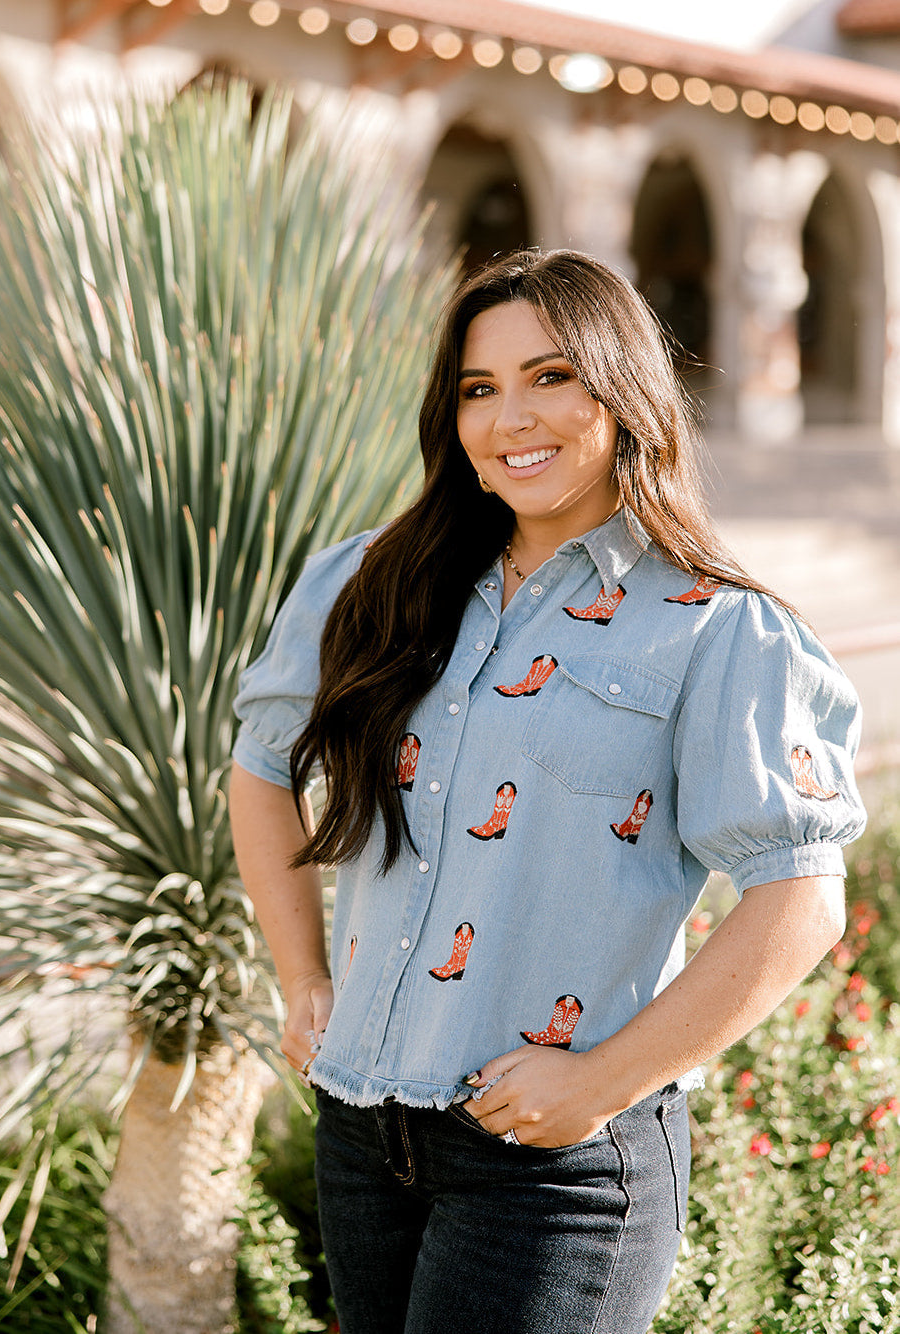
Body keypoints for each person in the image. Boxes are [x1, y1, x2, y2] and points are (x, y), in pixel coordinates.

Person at [228, 249, 866, 1334]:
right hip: (360, 1137)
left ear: (622, 393)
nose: (509, 417)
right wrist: (301, 977)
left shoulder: (718, 627)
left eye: (551, 377)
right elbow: (263, 761)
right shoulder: (366, 579)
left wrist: (603, 1079)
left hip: (554, 1171)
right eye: (479, 388)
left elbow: (797, 891)